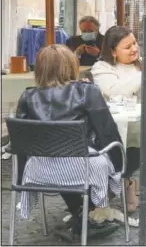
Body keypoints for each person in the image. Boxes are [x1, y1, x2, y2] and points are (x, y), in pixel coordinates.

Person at [15, 44, 124, 239]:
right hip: (80, 167)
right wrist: (119, 165)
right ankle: (86, 218)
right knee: (101, 161)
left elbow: (22, 140)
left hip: (39, 170)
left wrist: (21, 177)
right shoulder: (86, 91)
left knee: (71, 158)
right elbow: (106, 132)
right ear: (71, 66)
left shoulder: (27, 96)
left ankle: (81, 215)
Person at [91, 26, 143, 212]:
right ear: (113, 52)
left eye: (135, 43)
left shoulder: (142, 64)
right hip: (111, 129)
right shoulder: (101, 68)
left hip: (139, 127)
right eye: (128, 47)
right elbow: (114, 90)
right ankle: (122, 184)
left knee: (138, 146)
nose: (135, 49)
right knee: (112, 158)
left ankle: (126, 181)